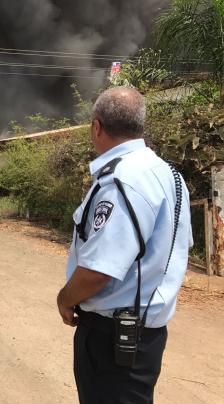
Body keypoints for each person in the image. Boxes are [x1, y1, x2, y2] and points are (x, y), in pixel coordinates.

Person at [56, 86, 192, 404]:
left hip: (112, 337)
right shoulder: (170, 175)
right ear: (139, 126)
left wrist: (65, 298)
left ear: (97, 127)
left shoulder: (121, 181)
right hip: (147, 333)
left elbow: (98, 272)